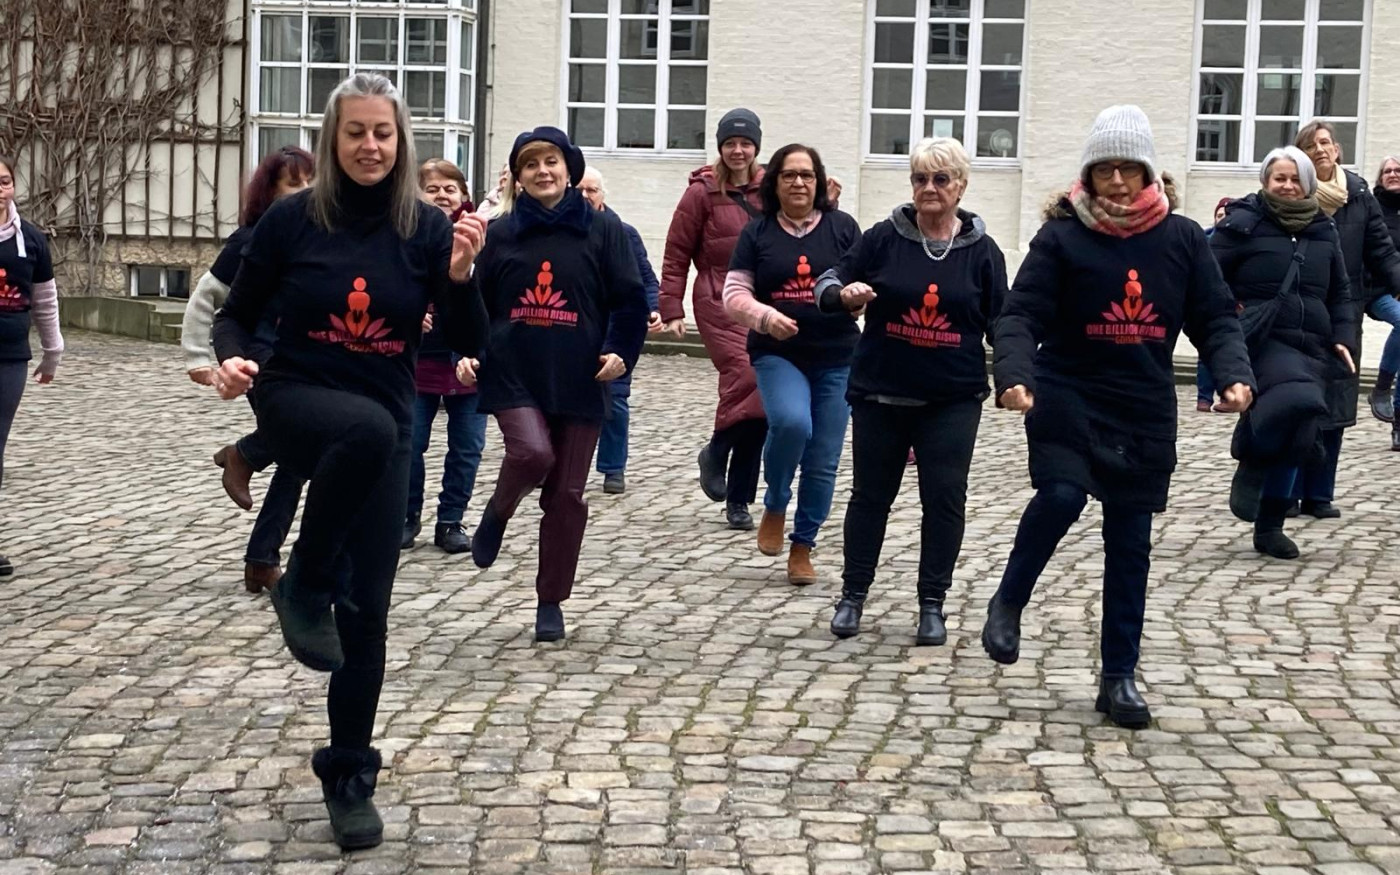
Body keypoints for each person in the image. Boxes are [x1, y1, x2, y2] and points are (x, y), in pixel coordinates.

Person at [210, 73, 488, 851]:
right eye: (356, 132)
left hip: (386, 419)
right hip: (297, 399)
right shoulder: (295, 220)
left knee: (368, 615)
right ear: (334, 139)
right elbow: (234, 316)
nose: (371, 145)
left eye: (384, 133)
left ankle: (348, 773)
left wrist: (462, 278)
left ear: (402, 144)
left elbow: (472, 339)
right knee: (363, 432)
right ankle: (304, 579)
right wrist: (233, 364)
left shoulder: (426, 229)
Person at [981, 106, 1254, 730]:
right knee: (1060, 494)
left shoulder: (1183, 240)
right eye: (1107, 168)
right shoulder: (1062, 236)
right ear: (1090, 171)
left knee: (1130, 543)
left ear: (1149, 172)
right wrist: (1015, 375)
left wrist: (1235, 372)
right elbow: (1021, 314)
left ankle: (1119, 676)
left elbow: (1214, 317)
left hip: (1143, 401)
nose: (1119, 182)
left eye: (1131, 169)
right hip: (1069, 389)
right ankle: (1009, 600)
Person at [458, 126, 648, 642]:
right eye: (531, 164)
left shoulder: (604, 230)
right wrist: (467, 353)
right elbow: (475, 304)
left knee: (566, 495)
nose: (543, 171)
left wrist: (621, 352)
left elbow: (630, 300)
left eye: (552, 161)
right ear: (517, 176)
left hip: (582, 375)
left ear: (569, 168)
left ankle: (551, 601)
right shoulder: (499, 233)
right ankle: (498, 511)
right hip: (515, 368)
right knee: (532, 455)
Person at [814, 137, 1007, 644]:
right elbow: (828, 281)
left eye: (940, 179)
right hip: (882, 393)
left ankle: (932, 603)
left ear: (960, 186)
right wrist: (842, 294)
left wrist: (1016, 376)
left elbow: (1004, 323)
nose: (929, 188)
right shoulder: (882, 238)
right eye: (920, 178)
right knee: (870, 498)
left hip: (953, 398)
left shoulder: (984, 253)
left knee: (943, 500)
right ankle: (853, 595)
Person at [722, 143, 860, 586]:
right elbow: (733, 295)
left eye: (807, 175)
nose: (798, 182)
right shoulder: (758, 233)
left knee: (823, 458)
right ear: (773, 183)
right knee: (792, 423)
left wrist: (857, 298)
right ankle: (776, 500)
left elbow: (864, 278)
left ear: (819, 182)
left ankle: (803, 545)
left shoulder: (842, 227)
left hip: (838, 354)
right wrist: (765, 316)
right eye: (789, 175)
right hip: (778, 352)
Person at [1212, 147, 1356, 560]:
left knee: (1305, 427)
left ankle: (1270, 524)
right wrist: (1232, 314)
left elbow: (1340, 291)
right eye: (1280, 178)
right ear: (1265, 180)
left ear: (1308, 184)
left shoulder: (1323, 230)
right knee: (1300, 401)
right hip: (1263, 339)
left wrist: (1344, 335)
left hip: (1314, 343)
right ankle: (1253, 453)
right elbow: (1206, 279)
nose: (1288, 185)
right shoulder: (1242, 223)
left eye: (1296, 179)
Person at [184, 146, 314, 592]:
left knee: (298, 459)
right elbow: (207, 298)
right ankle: (247, 454)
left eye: (310, 182)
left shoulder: (319, 234)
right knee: (303, 436)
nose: (304, 192)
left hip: (307, 356)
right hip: (264, 357)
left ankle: (261, 559)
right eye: (293, 184)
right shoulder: (251, 238)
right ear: (271, 192)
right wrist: (199, 360)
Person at [660, 108, 768, 531]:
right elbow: (676, 252)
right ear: (720, 148)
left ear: (756, 146)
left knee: (762, 404)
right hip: (718, 298)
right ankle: (718, 449)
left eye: (745, 143)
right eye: (730, 143)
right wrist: (671, 307)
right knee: (747, 374)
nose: (738, 150)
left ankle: (738, 498)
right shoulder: (701, 193)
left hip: (763, 302)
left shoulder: (770, 189)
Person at [1292, 121, 1400, 514]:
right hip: (1297, 312)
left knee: (1335, 404)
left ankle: (1319, 495)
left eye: (1325, 143)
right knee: (1293, 400)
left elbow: (1381, 249)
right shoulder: (1290, 190)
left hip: (1343, 312)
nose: (1320, 150)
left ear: (1337, 149)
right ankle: (1283, 494)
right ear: (1300, 154)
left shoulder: (1358, 194)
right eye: (1310, 145)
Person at [403, 158, 489, 553]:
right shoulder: (407, 235)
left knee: (466, 448)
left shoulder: (481, 238)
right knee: (410, 444)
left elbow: (491, 302)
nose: (441, 195)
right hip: (419, 362)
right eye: (432, 188)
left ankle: (451, 521)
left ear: (464, 195)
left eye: (449, 188)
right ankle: (406, 517)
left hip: (469, 364)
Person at [578, 167, 662, 494]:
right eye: (580, 191)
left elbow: (646, 278)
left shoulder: (624, 233)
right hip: (573, 330)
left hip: (616, 329)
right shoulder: (562, 232)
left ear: (602, 195)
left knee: (615, 399)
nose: (586, 197)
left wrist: (653, 309)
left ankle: (613, 468)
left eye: (592, 191)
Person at [0, 154, 63, 577]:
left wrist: (52, 350)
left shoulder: (33, 241)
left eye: (5, 181)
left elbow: (44, 299)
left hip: (9, 357)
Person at [1365, 155, 1400, 450]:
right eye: (1387, 171)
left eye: (1397, 170)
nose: (1392, 174)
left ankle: (1398, 424)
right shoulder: (1372, 207)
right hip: (1378, 291)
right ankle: (1382, 386)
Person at [1196, 196, 1234, 412]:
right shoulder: (1204, 239)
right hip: (1208, 302)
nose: (1222, 220)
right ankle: (1204, 397)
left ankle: (1227, 394)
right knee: (1206, 353)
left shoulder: (1240, 242)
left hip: (1232, 302)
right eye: (1219, 215)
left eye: (1226, 216)